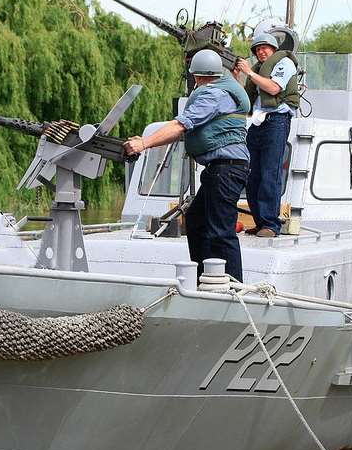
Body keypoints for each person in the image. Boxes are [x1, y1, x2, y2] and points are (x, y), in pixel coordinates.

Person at [124, 49, 250, 282]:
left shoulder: (213, 95)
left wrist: (144, 143)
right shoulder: (220, 89)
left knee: (220, 230)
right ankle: (204, 278)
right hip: (222, 169)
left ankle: (233, 286)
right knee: (196, 220)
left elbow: (181, 125)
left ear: (198, 76)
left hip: (226, 169)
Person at [234, 31, 299, 238]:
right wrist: (237, 76)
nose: (261, 52)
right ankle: (260, 221)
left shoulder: (284, 63)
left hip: (276, 122)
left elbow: (273, 88)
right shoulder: (258, 70)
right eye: (257, 49)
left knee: (270, 173)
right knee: (253, 175)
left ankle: (271, 224)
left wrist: (249, 73)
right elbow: (245, 97)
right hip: (257, 123)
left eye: (265, 48)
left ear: (273, 50)